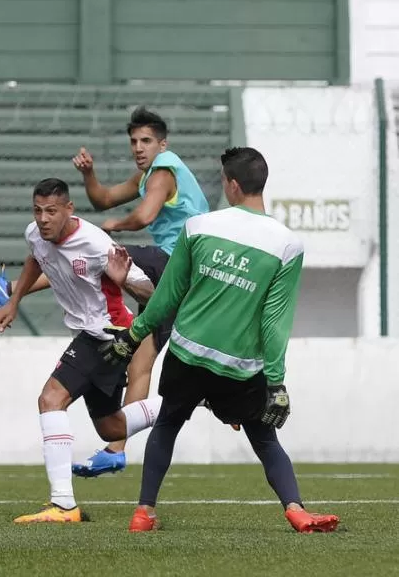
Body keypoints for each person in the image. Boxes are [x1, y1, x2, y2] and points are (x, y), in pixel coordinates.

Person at [102, 146, 339, 534]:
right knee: (264, 439)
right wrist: (276, 383)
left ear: (231, 185)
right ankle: (295, 509)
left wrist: (134, 335)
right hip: (239, 366)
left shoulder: (199, 227)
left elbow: (167, 295)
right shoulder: (286, 245)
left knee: (168, 425)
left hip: (186, 351)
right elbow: (274, 321)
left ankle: (143, 512)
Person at [0, 106, 210, 477]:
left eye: (146, 141)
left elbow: (145, 216)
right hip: (180, 272)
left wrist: (115, 224)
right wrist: (89, 175)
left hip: (175, 260)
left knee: (92, 255)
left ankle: (10, 291)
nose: (138, 147)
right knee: (140, 359)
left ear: (162, 144)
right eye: (133, 141)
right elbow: (101, 199)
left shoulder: (164, 169)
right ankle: (117, 448)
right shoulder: (146, 174)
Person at [0, 178, 162, 524]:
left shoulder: (97, 244)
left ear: (69, 209)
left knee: (51, 399)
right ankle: (188, 398)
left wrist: (122, 278)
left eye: (51, 211)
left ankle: (63, 504)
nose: (43, 219)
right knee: (112, 429)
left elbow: (151, 295)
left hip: (108, 335)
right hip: (92, 334)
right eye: (37, 210)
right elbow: (36, 260)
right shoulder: (36, 234)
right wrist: (14, 300)